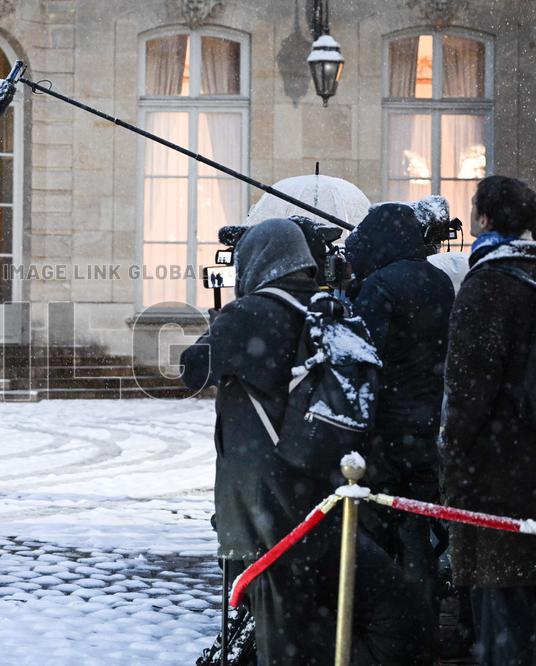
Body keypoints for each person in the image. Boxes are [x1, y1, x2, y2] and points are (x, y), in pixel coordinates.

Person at [180, 218, 433, 665]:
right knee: (329, 621)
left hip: (265, 510)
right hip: (327, 499)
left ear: (255, 261)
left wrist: (220, 323)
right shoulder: (332, 310)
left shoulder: (250, 313)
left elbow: (191, 369)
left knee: (282, 636)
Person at [440, 175, 536, 666]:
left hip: (500, 488)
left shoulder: (488, 287)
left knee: (504, 632)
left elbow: (465, 401)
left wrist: (452, 472)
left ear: (483, 219)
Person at [343, 202, 455, 613]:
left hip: (389, 430)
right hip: (430, 423)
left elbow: (365, 353)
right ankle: (424, 615)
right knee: (420, 527)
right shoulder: (439, 280)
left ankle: (396, 624)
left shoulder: (382, 286)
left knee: (382, 527)